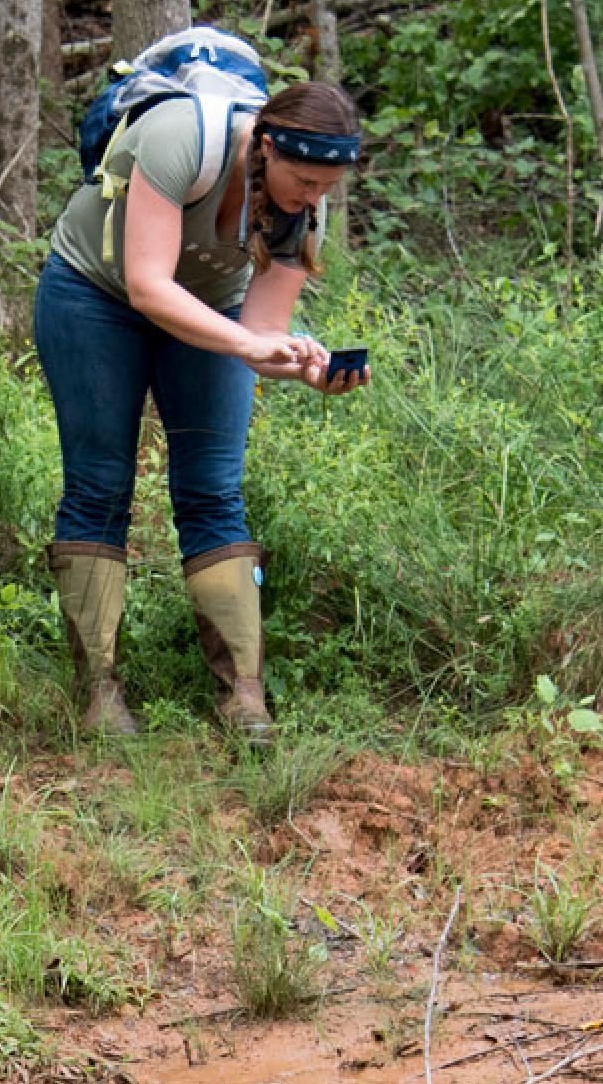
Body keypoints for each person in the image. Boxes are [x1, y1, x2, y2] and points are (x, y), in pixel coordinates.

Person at [34, 79, 367, 737]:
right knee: (100, 486)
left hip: (211, 312)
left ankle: (243, 698)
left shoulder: (302, 208)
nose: (314, 198)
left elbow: (263, 329)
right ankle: (98, 694)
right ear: (266, 147)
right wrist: (245, 340)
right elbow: (148, 286)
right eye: (304, 181)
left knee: (215, 491)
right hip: (95, 297)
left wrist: (304, 365)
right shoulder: (182, 139)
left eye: (327, 187)